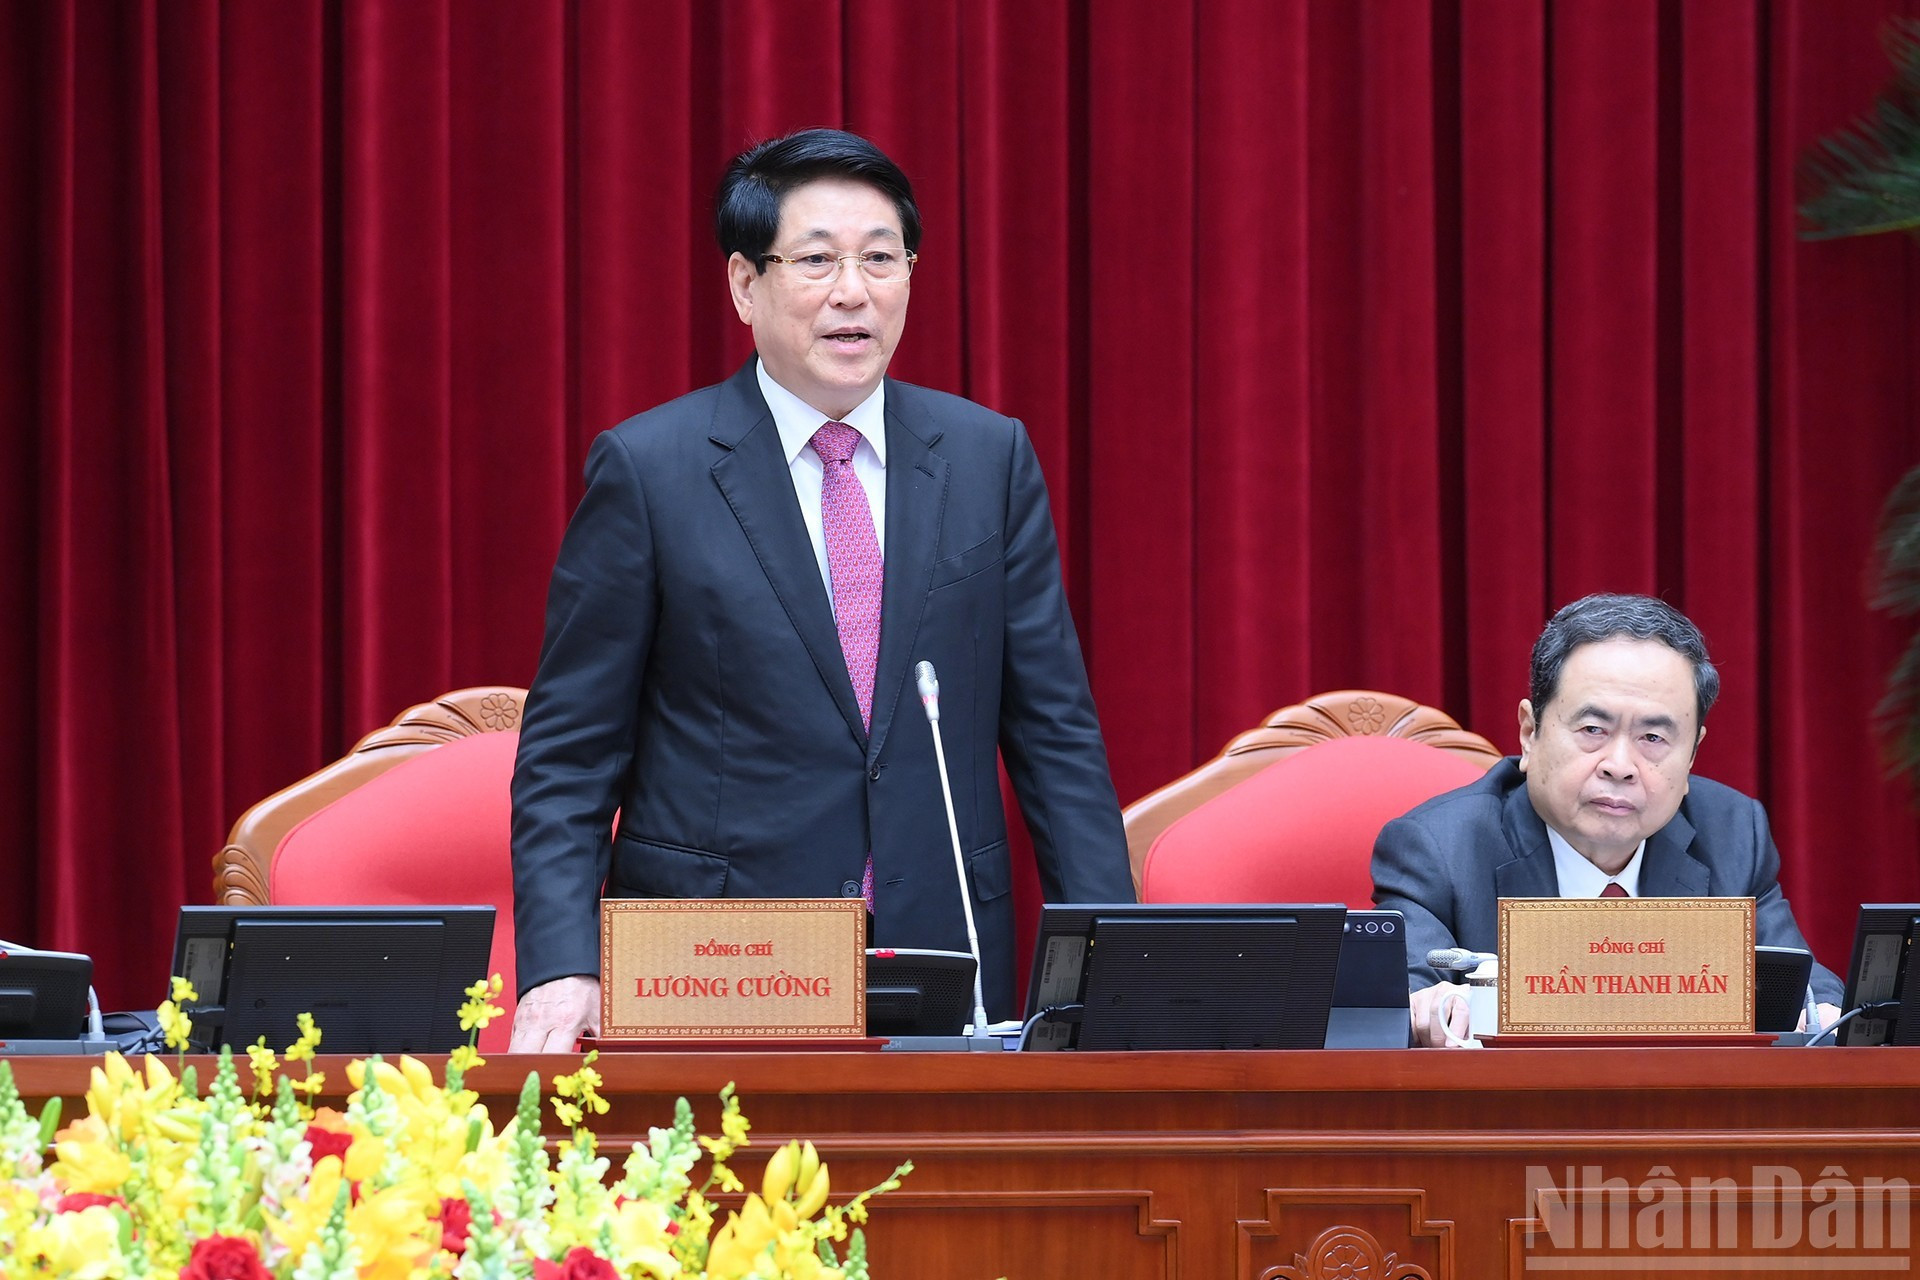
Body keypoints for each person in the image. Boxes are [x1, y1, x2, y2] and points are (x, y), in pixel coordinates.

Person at [507, 129, 1134, 1051]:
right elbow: (569, 753)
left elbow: (1056, 734)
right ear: (743, 285)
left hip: (945, 952)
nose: (855, 291)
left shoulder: (985, 457)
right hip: (717, 965)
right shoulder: (652, 470)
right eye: (817, 260)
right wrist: (562, 966)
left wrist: (1112, 964)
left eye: (881, 258)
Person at [1371, 594, 1843, 1047]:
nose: (1620, 765)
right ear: (1530, 733)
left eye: (1653, 737)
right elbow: (1405, 1003)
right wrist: (1432, 1009)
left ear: (1693, 754)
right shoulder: (1437, 849)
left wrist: (1822, 1015)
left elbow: (1811, 995)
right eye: (1593, 730)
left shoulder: (1734, 835)